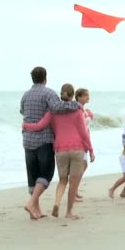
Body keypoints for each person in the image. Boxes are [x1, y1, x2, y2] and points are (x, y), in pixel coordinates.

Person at [23, 84, 94, 220]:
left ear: (61, 94)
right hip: (76, 148)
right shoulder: (77, 110)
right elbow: (83, 133)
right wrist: (90, 149)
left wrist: (26, 125)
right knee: (73, 183)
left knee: (62, 181)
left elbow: (40, 125)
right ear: (73, 95)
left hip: (60, 149)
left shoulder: (52, 111)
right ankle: (68, 212)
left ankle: (56, 203)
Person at [74, 88, 93, 201]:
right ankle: (73, 188)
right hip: (79, 140)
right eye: (86, 95)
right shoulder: (76, 109)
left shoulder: (83, 109)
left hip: (86, 140)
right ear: (79, 97)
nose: (88, 97)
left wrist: (89, 115)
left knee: (84, 164)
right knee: (82, 164)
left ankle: (75, 188)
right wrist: (88, 116)